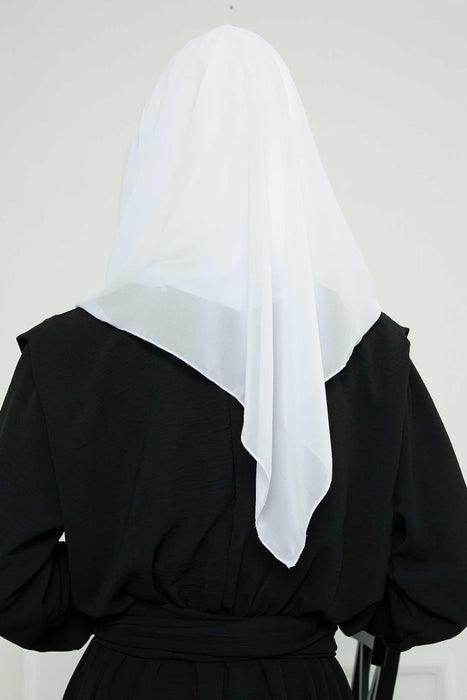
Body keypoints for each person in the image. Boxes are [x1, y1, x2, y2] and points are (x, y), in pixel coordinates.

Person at [0, 24, 466, 700]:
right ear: (289, 160)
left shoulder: (68, 351)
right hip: (297, 680)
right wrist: (329, 604)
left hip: (132, 678)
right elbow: (443, 580)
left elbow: (11, 579)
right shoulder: (370, 355)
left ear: (155, 155)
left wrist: (122, 604)